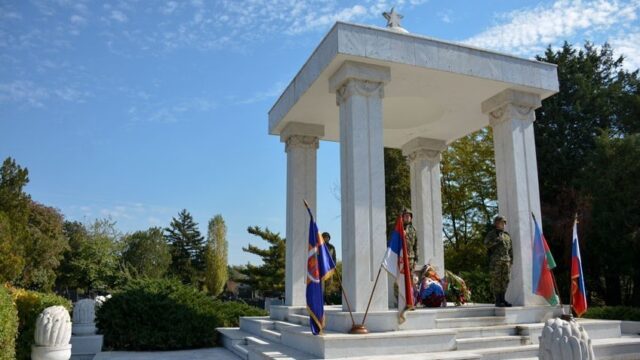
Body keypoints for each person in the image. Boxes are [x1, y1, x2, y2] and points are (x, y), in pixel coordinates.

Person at [484, 215, 513, 307]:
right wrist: (496, 240)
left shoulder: (507, 236)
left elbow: (510, 249)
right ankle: (498, 300)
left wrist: (511, 260)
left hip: (506, 261)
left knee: (506, 280)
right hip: (496, 262)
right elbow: (486, 244)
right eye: (501, 222)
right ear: (496, 223)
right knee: (496, 281)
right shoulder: (491, 234)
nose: (503, 224)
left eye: (504, 223)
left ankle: (503, 299)